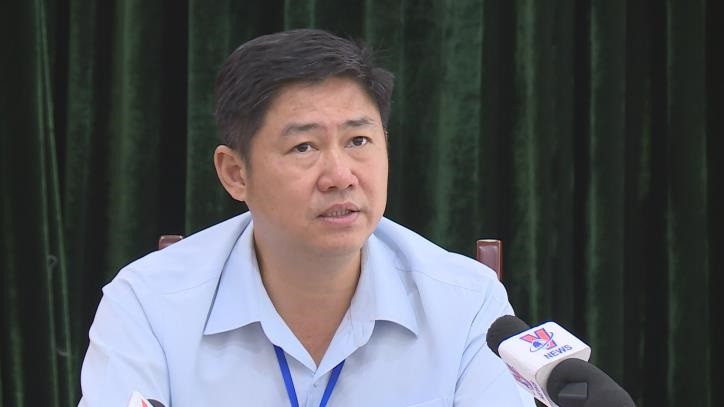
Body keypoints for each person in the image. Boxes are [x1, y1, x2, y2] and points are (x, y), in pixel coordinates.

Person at [79, 29, 535, 406]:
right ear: (235, 173)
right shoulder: (147, 304)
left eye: (358, 141)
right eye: (304, 147)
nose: (340, 176)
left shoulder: (467, 304)